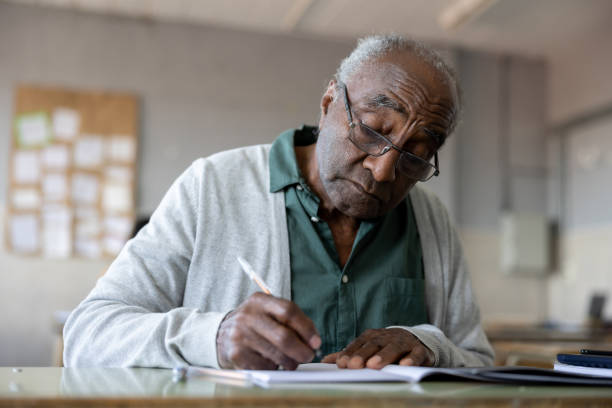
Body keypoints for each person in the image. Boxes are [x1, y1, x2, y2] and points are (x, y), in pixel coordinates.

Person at [63, 35, 494, 370]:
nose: (384, 171)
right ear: (328, 104)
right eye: (373, 130)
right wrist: (212, 337)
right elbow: (88, 334)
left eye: (416, 154)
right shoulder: (212, 186)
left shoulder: (430, 219)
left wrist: (429, 345)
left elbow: (476, 359)